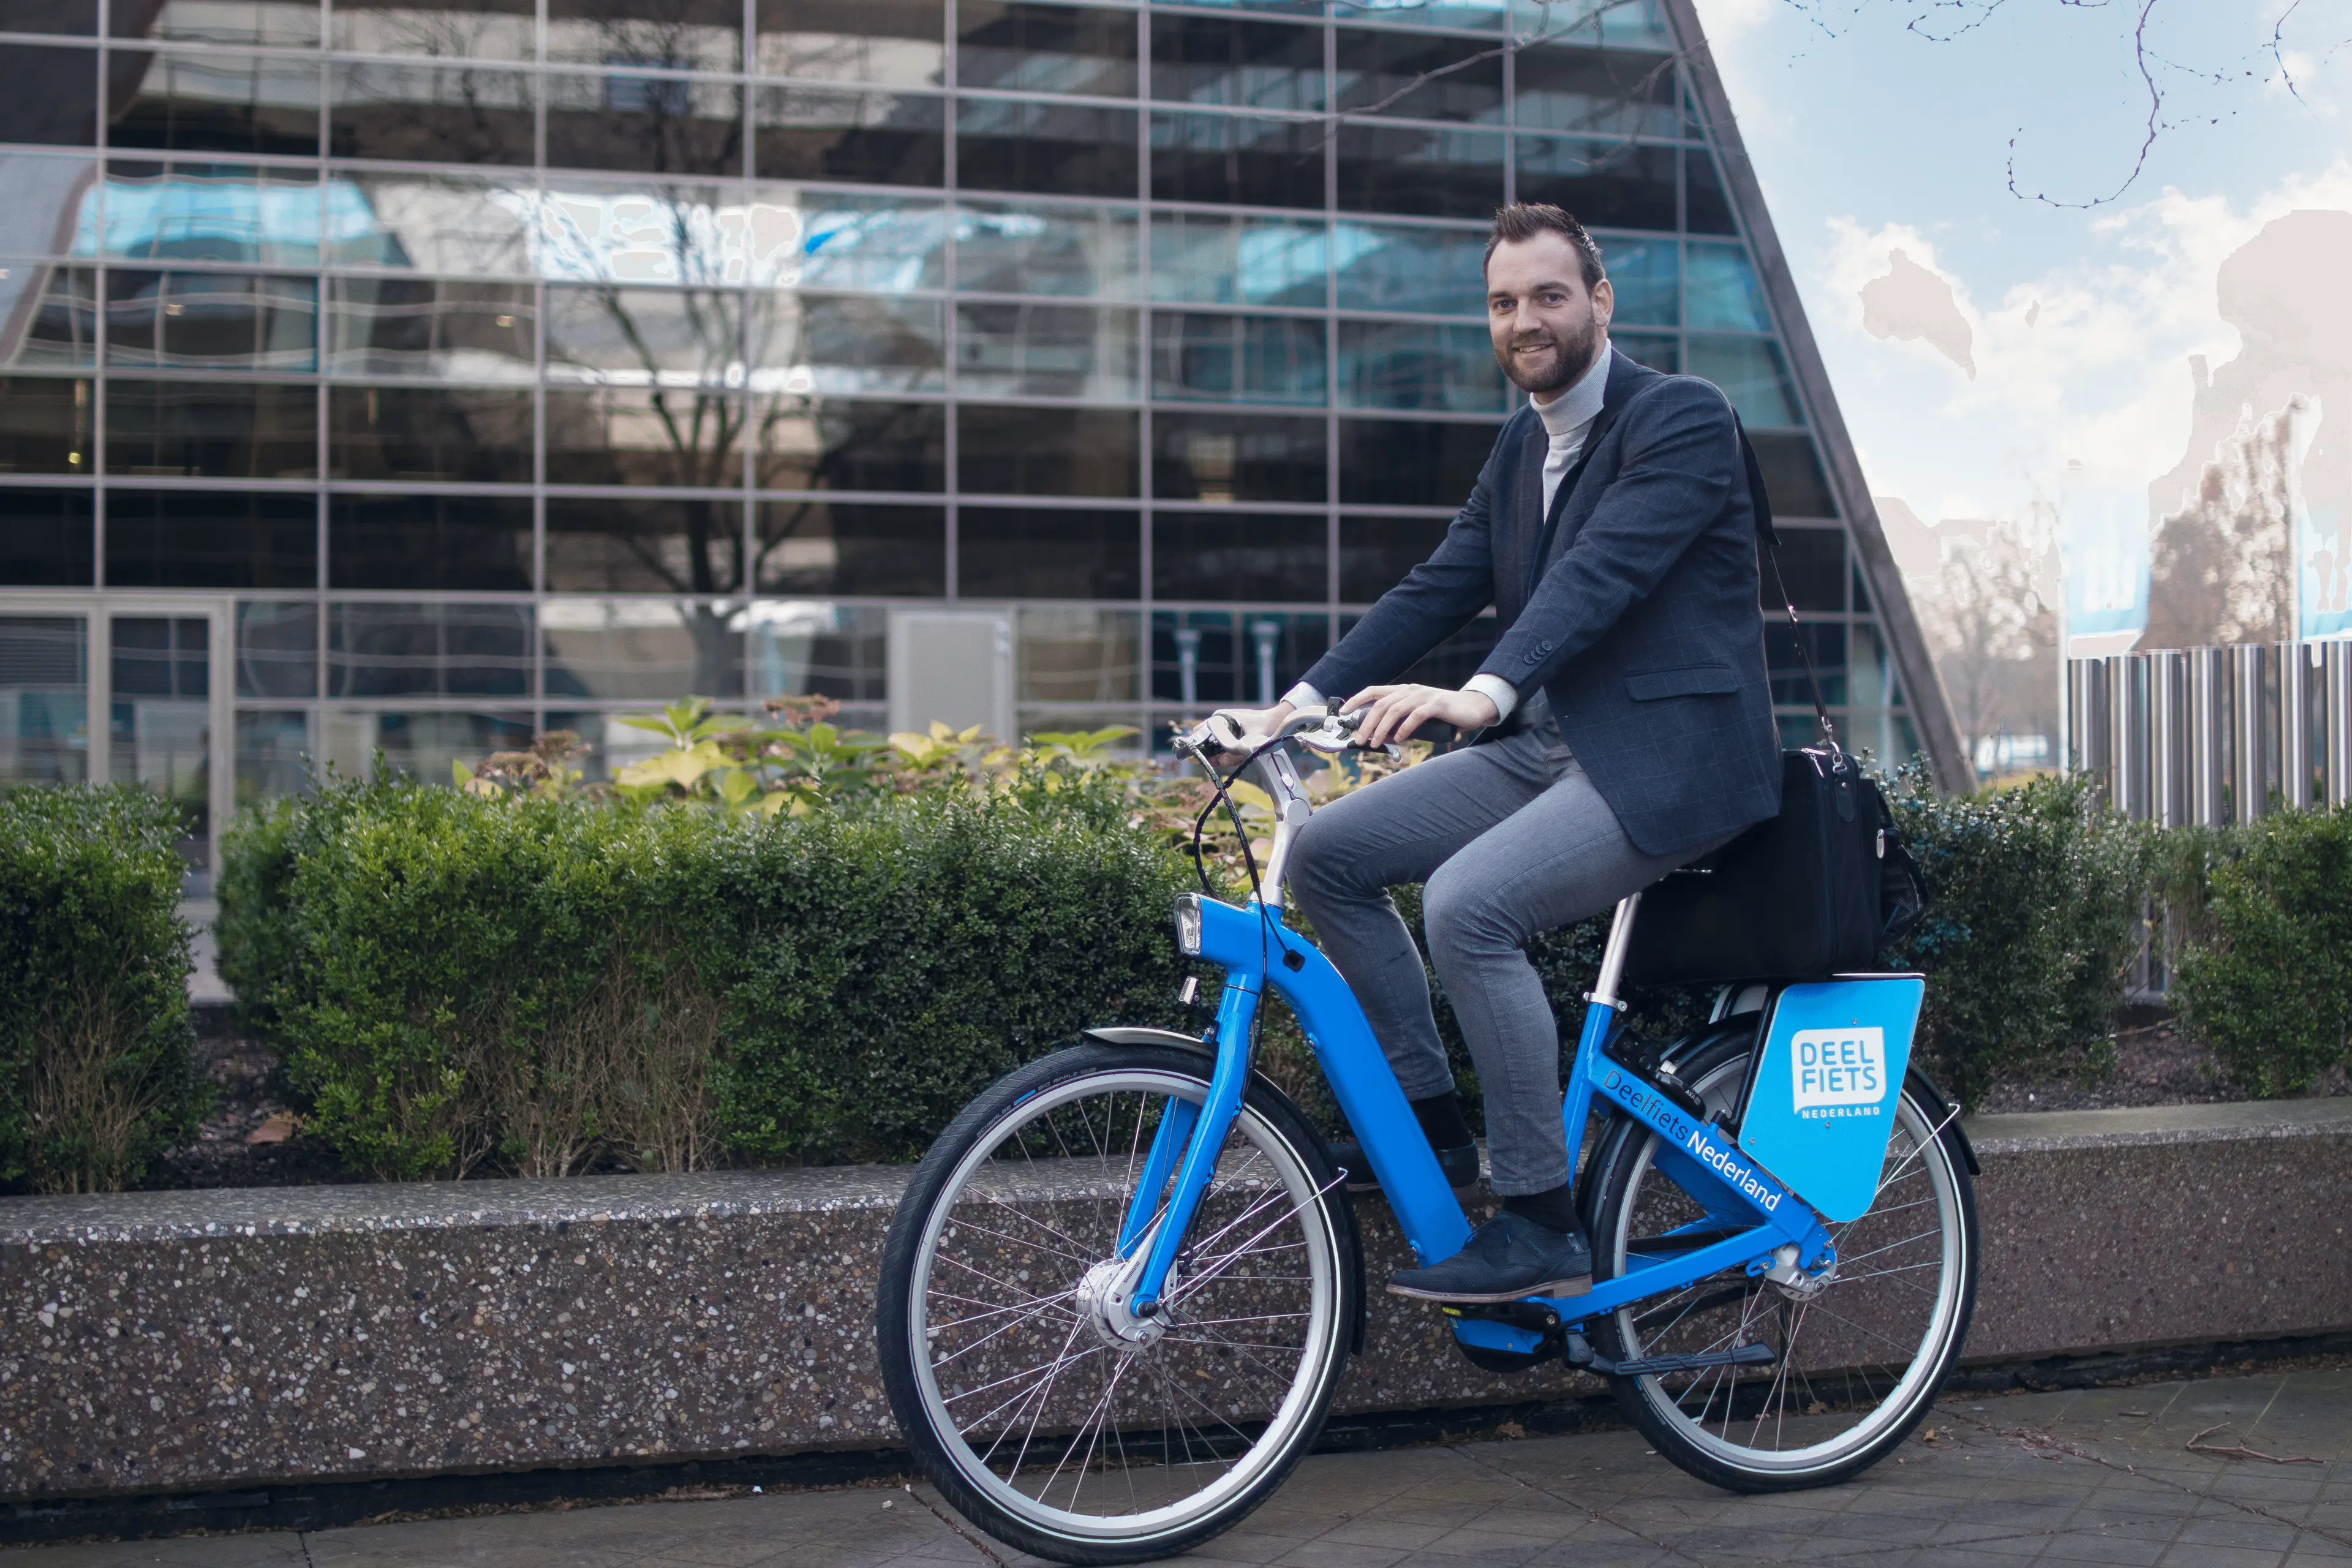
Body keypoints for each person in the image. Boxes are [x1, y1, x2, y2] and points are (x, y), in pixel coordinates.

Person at [1214, 202, 1782, 1305]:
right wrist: (1295, 705)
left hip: (1668, 757)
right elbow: (1439, 582)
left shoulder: (1681, 419)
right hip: (1552, 747)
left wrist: (1479, 693)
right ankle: (1428, 1134)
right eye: (1504, 302)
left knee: (1469, 907)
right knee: (1330, 856)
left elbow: (1600, 575)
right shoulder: (1523, 443)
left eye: (1549, 296)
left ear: (1600, 301)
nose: (1526, 320)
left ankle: (1539, 1218)